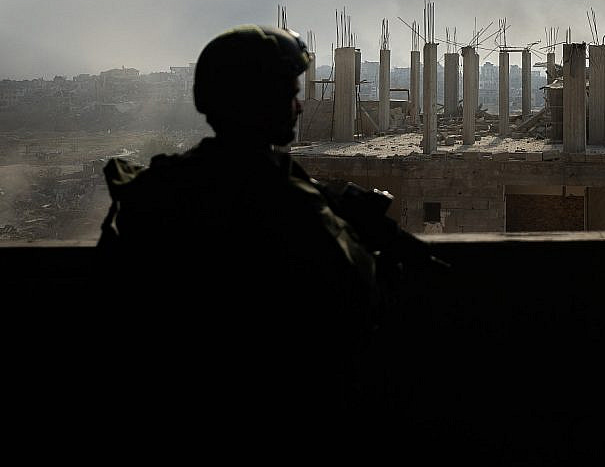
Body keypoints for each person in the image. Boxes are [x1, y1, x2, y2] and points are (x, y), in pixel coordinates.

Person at [99, 25, 435, 458]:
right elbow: (357, 301)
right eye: (290, 93)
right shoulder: (283, 201)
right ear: (260, 101)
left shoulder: (167, 183)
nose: (299, 106)